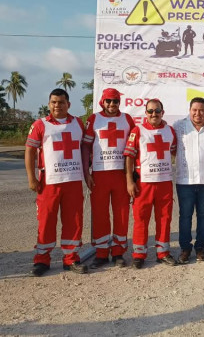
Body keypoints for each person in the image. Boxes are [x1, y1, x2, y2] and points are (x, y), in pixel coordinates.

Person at [25, 88, 88, 276]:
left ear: (68, 104)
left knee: (74, 221)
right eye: (53, 102)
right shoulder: (40, 124)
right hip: (49, 182)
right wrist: (31, 177)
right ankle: (42, 260)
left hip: (74, 180)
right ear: (48, 104)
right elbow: (29, 151)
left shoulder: (78, 123)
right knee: (46, 221)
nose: (57, 105)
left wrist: (88, 173)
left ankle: (71, 259)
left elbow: (85, 148)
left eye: (61, 102)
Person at [82, 88, 136, 269]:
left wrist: (133, 176)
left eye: (115, 101)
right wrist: (86, 173)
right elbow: (86, 147)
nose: (112, 105)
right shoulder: (93, 119)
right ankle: (101, 253)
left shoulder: (127, 119)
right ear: (102, 102)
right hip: (99, 174)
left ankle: (119, 252)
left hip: (121, 174)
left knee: (121, 214)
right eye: (109, 101)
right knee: (100, 214)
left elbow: (135, 146)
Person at [124, 99, 179, 268]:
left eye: (157, 111)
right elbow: (129, 157)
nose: (153, 114)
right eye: (150, 111)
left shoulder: (170, 131)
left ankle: (163, 252)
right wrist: (129, 181)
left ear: (163, 112)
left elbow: (174, 153)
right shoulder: (137, 130)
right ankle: (139, 254)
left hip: (164, 182)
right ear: (145, 113)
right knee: (141, 218)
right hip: (143, 183)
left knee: (164, 218)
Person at [172, 97, 204, 263]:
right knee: (185, 215)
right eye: (195, 110)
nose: (198, 113)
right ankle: (185, 248)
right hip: (184, 181)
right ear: (190, 110)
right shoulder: (178, 126)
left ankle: (200, 247)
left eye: (202, 110)